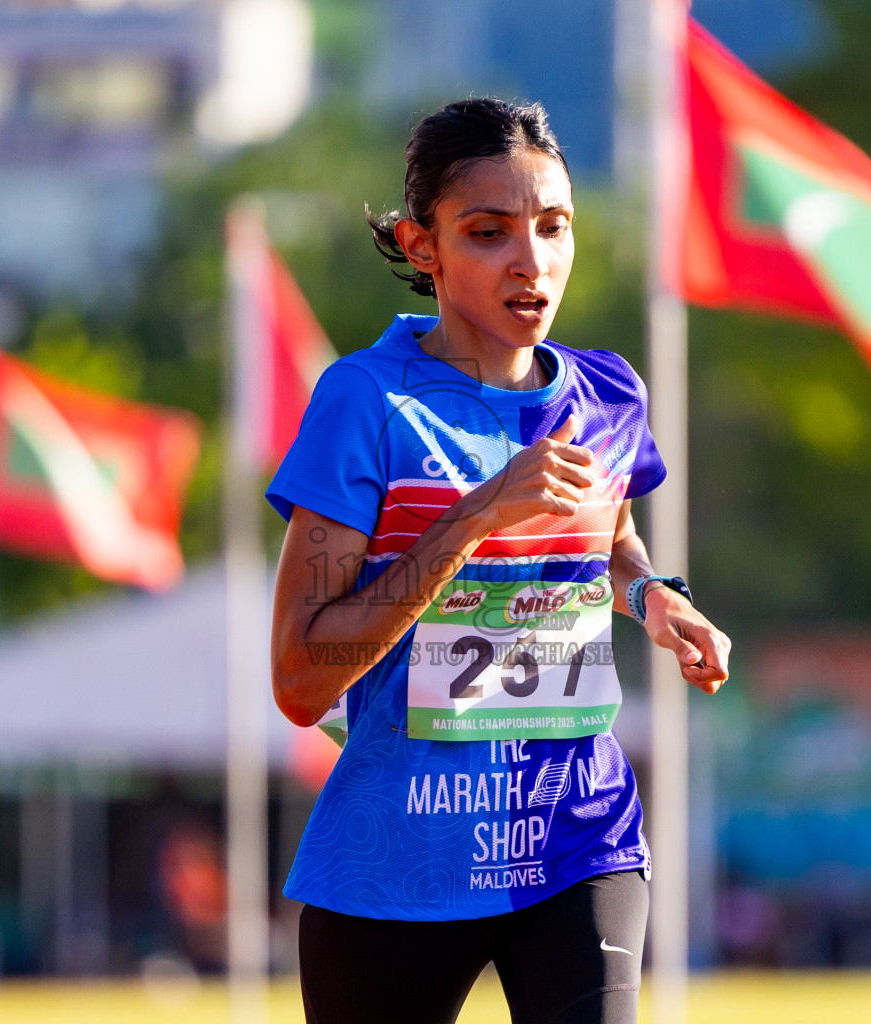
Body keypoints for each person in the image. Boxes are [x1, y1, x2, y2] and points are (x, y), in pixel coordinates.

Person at [267, 97, 732, 1024]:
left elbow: (610, 536)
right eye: (488, 233)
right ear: (421, 244)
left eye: (554, 228)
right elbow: (299, 680)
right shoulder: (367, 401)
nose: (533, 262)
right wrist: (475, 515)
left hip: (576, 835)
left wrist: (654, 597)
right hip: (397, 861)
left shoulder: (605, 391)